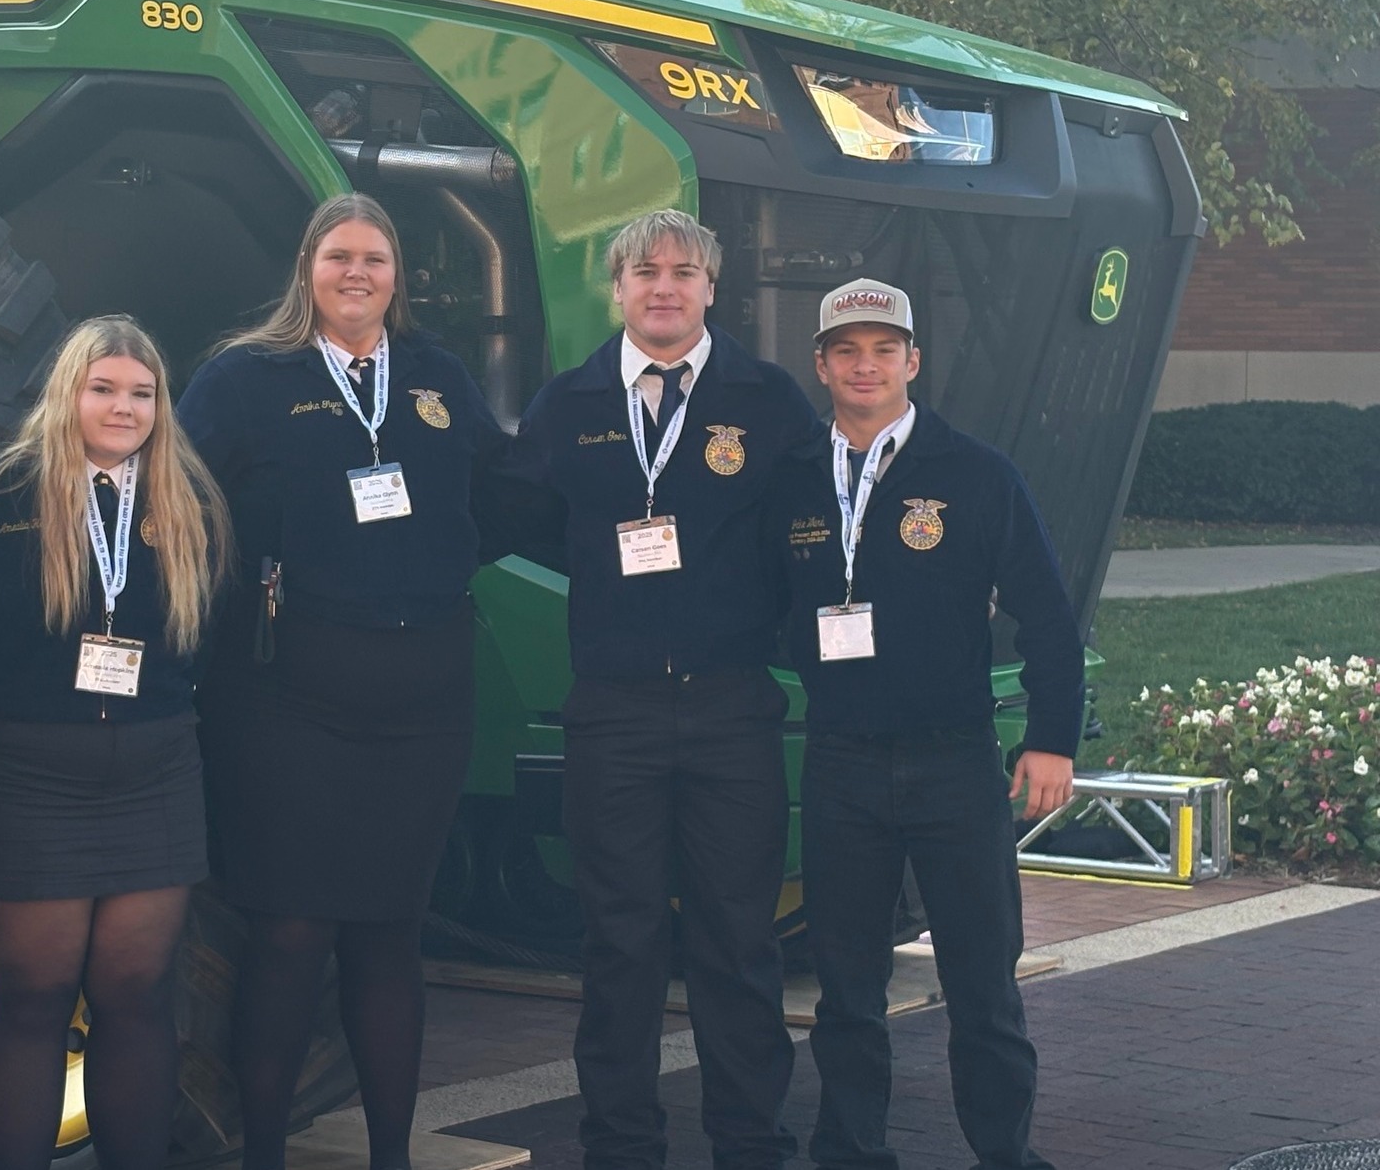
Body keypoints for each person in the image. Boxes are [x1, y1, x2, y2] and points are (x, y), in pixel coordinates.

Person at [177, 193, 510, 1170]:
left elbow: (496, 496)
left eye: (373, 256)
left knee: (386, 935)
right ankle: (265, 1153)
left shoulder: (437, 377)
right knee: (288, 931)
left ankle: (391, 1157)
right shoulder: (244, 378)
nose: (355, 273)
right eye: (337, 257)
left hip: (420, 703)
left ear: (398, 275)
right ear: (306, 269)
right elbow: (178, 503)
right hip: (284, 705)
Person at [502, 209, 816, 1170]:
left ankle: (749, 1143)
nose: (665, 286)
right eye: (645, 271)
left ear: (714, 288)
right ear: (618, 290)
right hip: (615, 715)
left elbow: (809, 536)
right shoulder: (570, 402)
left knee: (737, 946)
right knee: (620, 946)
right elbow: (527, 519)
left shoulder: (768, 402)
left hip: (730, 710)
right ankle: (622, 1145)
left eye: (685, 269)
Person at [766, 278, 1080, 1170]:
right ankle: (852, 1153)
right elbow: (748, 598)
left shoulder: (976, 474)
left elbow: (1049, 617)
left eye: (884, 349)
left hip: (954, 767)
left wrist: (1054, 734)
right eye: (847, 350)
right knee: (848, 993)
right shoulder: (791, 477)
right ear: (821, 364)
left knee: (983, 987)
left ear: (913, 361)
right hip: (842, 765)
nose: (866, 366)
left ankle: (1004, 1154)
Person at [0, 315, 230, 1170]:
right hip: (29, 781)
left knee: (138, 998)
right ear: (68, 393)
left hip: (154, 777)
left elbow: (212, 650)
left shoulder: (189, 504)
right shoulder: (2, 499)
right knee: (33, 1004)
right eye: (103, 388)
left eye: (141, 392)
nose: (123, 406)